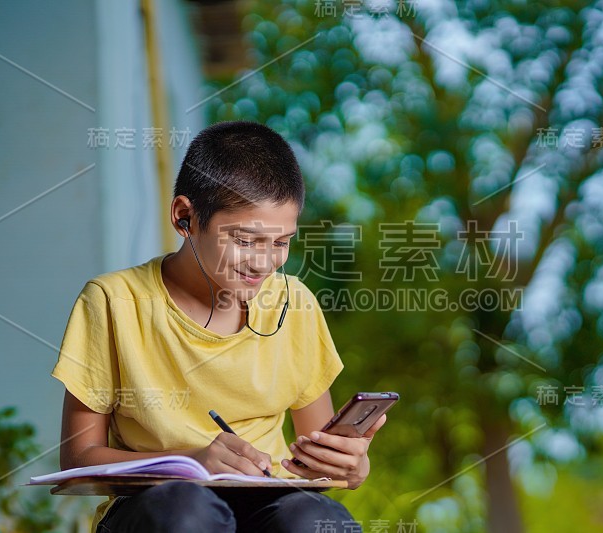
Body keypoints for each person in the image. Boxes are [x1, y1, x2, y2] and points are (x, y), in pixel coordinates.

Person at [52, 121, 386, 532]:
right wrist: (191, 462)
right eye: (245, 240)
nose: (264, 263)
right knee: (186, 513)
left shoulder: (294, 303)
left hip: (268, 502)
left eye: (281, 242)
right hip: (157, 508)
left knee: (316, 519)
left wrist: (350, 465)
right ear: (185, 217)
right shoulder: (113, 302)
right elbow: (79, 457)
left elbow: (316, 464)